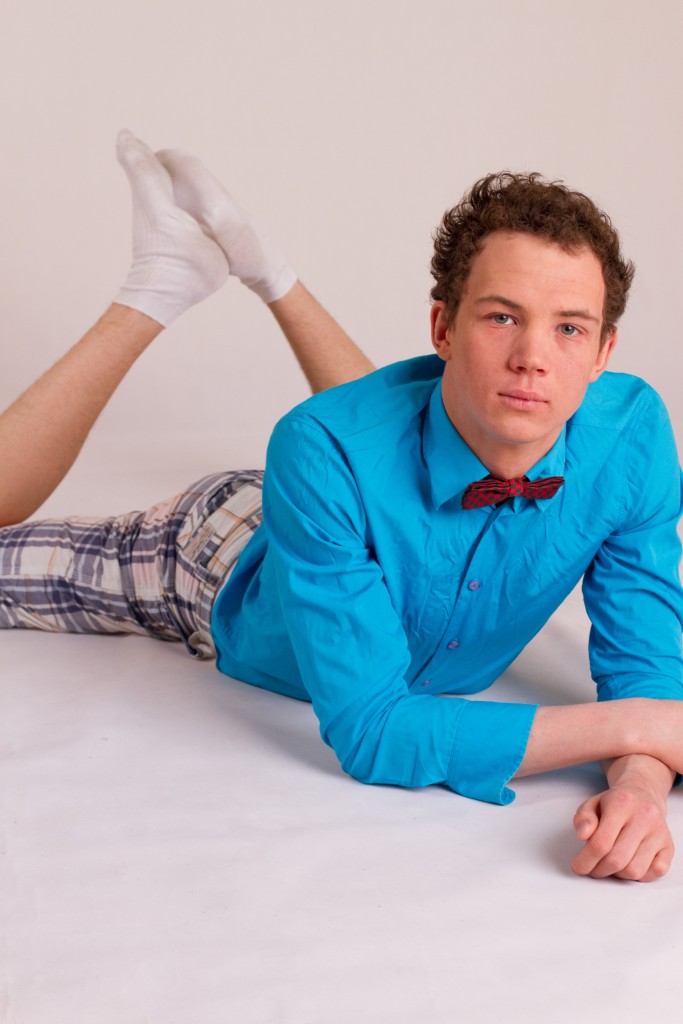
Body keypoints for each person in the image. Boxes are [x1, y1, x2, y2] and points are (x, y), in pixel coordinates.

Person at [1, 132, 682, 884]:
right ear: (441, 326)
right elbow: (376, 729)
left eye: (569, 328)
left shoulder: (632, 435)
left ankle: (267, 268)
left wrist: (640, 788)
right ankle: (157, 283)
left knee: (395, 428)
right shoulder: (318, 451)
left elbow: (646, 661)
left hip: (350, 503)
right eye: (500, 317)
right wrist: (635, 726)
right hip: (222, 552)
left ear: (603, 351)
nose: (533, 357)